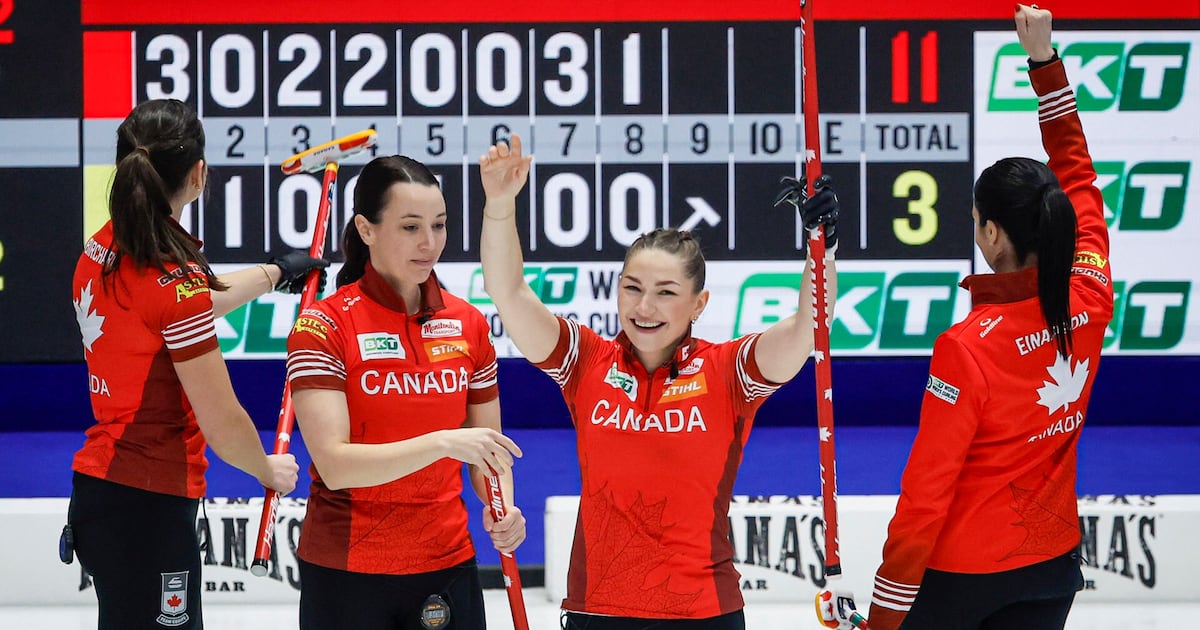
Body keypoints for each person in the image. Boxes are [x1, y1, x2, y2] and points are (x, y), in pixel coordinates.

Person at [477, 134, 840, 629]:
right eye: (632, 288)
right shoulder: (586, 360)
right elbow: (509, 291)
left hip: (703, 613)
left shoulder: (728, 371)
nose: (643, 308)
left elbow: (807, 327)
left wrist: (823, 247)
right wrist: (499, 206)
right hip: (597, 610)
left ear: (699, 304)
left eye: (666, 293)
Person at [866, 6, 1113, 630]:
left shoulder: (966, 346)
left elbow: (925, 497)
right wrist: (1044, 65)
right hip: (1052, 567)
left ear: (992, 231)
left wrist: (882, 613)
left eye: (976, 219)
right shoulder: (1090, 295)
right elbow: (1078, 178)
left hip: (961, 581)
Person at [68, 98, 321, 629]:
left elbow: (185, 303)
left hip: (103, 493)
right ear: (199, 173)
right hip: (149, 509)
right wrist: (265, 469)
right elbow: (223, 421)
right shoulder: (173, 281)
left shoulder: (101, 248)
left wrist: (275, 271)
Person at [286, 154, 527, 630]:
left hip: (446, 563)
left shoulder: (469, 324)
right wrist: (443, 442)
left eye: (438, 225)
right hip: (347, 569)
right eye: (410, 227)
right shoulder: (323, 326)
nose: (429, 243)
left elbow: (488, 454)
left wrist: (504, 506)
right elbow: (335, 466)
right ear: (367, 228)